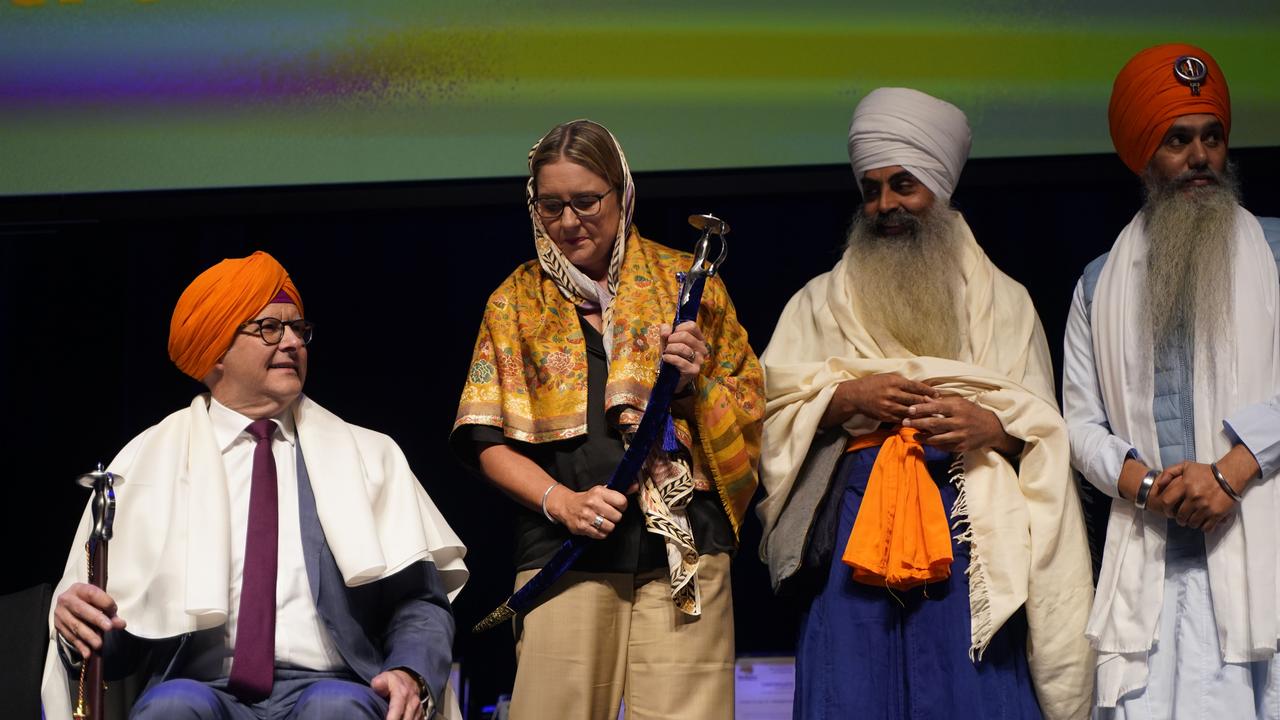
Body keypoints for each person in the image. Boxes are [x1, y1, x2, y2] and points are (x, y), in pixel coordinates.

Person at [757, 87, 1094, 719]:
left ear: (938, 189)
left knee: (968, 697)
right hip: (854, 537)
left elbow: (1046, 431)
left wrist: (990, 426)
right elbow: (767, 409)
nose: (886, 205)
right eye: (873, 189)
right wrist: (842, 398)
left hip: (969, 528)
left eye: (904, 185)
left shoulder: (1008, 303)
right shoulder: (815, 301)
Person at [40, 251, 468, 720]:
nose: (291, 343)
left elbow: (419, 602)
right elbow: (119, 648)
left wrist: (410, 670)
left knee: (333, 707)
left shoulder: (369, 455)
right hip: (199, 686)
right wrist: (82, 626)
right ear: (215, 350)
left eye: (298, 329)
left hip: (335, 682)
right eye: (269, 329)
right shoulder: (147, 464)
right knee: (174, 707)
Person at [451, 119, 763, 719]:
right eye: (551, 206)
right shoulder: (514, 301)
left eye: (587, 202)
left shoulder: (691, 288)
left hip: (684, 553)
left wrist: (696, 386)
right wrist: (560, 502)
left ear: (623, 194)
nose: (569, 223)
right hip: (566, 552)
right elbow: (485, 440)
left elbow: (750, 404)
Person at [1064, 43, 1280, 717]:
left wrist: (1232, 471)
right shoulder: (1099, 285)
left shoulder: (1275, 252)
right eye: (1177, 141)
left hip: (1261, 564)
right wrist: (1150, 486)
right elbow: (1078, 426)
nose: (1199, 159)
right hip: (1150, 575)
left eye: (1212, 139)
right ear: (1143, 157)